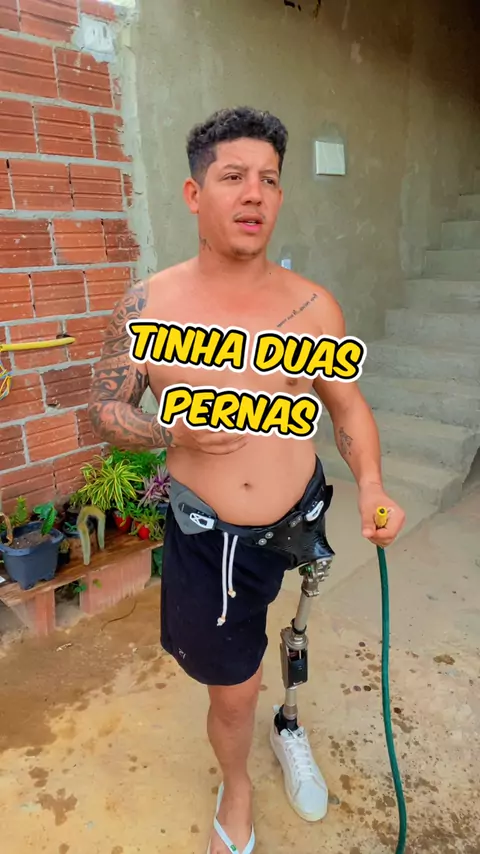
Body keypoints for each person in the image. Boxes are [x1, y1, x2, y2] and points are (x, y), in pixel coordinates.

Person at [88, 106, 406, 854]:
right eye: (233, 176)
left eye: (268, 179)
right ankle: (237, 785)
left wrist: (373, 483)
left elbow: (347, 408)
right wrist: (173, 432)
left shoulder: (312, 307)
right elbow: (105, 409)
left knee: (298, 632)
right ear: (195, 193)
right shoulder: (148, 307)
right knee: (233, 689)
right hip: (213, 540)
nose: (254, 193)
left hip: (300, 515)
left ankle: (289, 723)